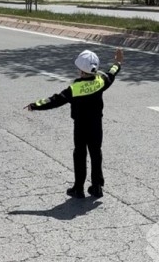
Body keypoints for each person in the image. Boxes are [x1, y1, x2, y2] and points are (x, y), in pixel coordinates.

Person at [25, 48, 123, 198]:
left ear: (81, 71)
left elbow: (54, 100)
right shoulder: (101, 81)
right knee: (96, 153)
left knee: (80, 154)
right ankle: (97, 187)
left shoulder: (74, 89)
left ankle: (78, 188)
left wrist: (35, 105)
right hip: (96, 125)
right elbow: (112, 72)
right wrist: (118, 62)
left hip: (81, 126)